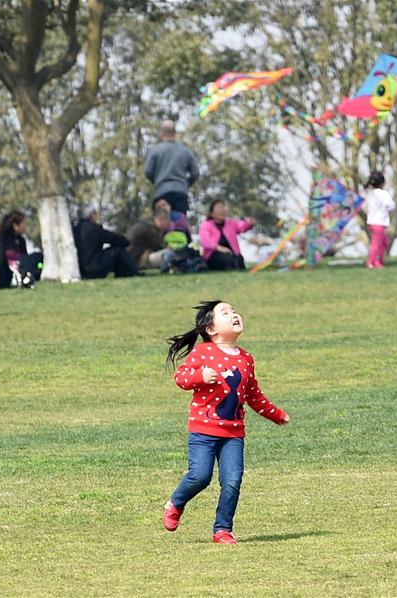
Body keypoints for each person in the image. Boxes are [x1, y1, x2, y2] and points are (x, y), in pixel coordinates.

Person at [162, 300, 290, 544]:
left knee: (232, 481)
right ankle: (176, 503)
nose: (234, 314)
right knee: (200, 476)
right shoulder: (203, 352)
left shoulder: (246, 358)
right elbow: (181, 377)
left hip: (233, 434)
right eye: (225, 312)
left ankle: (222, 530)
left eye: (234, 311)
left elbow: (253, 395)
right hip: (203, 430)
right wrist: (201, 375)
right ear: (211, 329)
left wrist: (275, 414)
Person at [145, 120, 200, 225]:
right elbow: (195, 173)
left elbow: (148, 171)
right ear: (175, 133)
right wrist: (185, 184)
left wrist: (157, 181)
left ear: (161, 134)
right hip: (180, 193)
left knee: (161, 226)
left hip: (161, 194)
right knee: (179, 225)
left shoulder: (155, 150)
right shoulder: (185, 151)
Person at [72, 206, 140, 279]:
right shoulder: (94, 228)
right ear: (92, 215)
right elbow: (116, 239)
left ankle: (126, 273)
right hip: (94, 269)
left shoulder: (74, 229)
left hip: (80, 270)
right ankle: (132, 271)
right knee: (117, 250)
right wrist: (126, 241)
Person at [199, 200, 254, 271]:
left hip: (232, 254)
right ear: (212, 214)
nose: (222, 209)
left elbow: (242, 225)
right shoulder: (206, 225)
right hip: (214, 255)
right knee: (226, 258)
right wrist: (219, 248)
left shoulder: (231, 223)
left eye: (223, 207)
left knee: (239, 259)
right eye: (219, 207)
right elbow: (205, 241)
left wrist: (249, 222)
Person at [0, 210, 42, 288]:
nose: (26, 226)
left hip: (22, 264)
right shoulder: (3, 238)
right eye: (24, 224)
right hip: (9, 265)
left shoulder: (21, 240)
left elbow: (25, 255)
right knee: (37, 256)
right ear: (15, 225)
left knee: (38, 259)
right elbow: (7, 254)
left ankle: (27, 277)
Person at [362, 170, 395, 269]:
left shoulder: (370, 193)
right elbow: (390, 205)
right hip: (379, 223)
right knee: (376, 244)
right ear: (382, 183)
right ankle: (371, 262)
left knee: (383, 242)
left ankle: (378, 261)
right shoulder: (382, 194)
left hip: (372, 223)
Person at [127, 205, 175, 272]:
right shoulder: (150, 229)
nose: (167, 225)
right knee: (169, 253)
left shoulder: (145, 224)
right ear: (161, 219)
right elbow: (158, 247)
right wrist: (168, 248)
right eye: (167, 222)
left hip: (131, 258)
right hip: (136, 260)